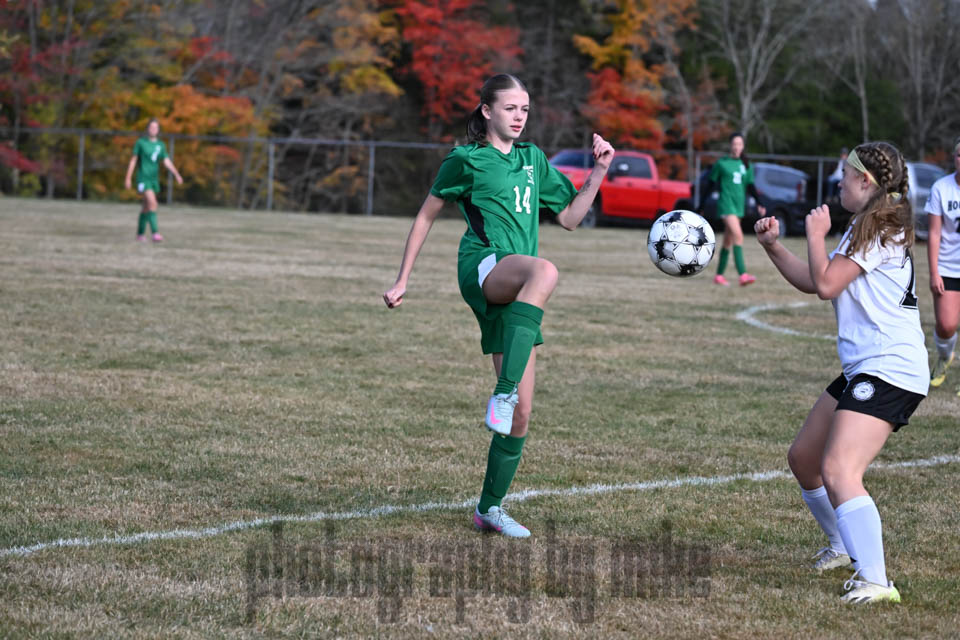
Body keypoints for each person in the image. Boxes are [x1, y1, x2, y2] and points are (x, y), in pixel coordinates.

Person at [383, 74, 614, 539]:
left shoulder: (533, 159)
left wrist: (600, 171)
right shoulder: (465, 159)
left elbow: (570, 218)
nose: (519, 116)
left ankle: (489, 508)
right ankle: (502, 392)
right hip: (484, 264)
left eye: (525, 109)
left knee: (521, 416)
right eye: (510, 108)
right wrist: (403, 278)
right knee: (545, 271)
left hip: (518, 286)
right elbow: (426, 215)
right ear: (487, 111)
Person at [754, 141, 927, 604]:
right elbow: (819, 278)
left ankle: (876, 580)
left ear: (864, 181)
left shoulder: (877, 227)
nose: (838, 184)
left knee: (839, 469)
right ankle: (842, 546)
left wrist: (814, 233)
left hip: (889, 367)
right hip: (867, 365)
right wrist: (774, 247)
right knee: (805, 459)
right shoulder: (868, 223)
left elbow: (827, 284)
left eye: (844, 176)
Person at [700, 132, 765, 286]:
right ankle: (743, 275)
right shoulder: (722, 163)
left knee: (727, 242)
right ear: (730, 145)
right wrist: (701, 205)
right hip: (726, 205)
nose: (737, 147)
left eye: (739, 144)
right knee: (738, 236)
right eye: (734, 144)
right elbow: (710, 185)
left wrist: (759, 203)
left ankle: (718, 276)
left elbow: (750, 186)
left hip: (738, 206)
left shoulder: (746, 165)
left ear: (743, 146)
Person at [925, 136, 960, 392]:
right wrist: (934, 272)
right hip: (948, 267)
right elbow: (934, 233)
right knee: (946, 325)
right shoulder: (941, 188)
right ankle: (945, 356)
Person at [124, 118, 183, 242]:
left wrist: (176, 174)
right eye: (151, 127)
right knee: (153, 203)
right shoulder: (141, 143)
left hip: (153, 180)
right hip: (143, 179)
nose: (153, 129)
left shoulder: (160, 145)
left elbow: (166, 161)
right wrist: (128, 177)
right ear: (147, 129)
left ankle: (140, 234)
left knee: (146, 207)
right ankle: (155, 233)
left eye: (156, 127)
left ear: (158, 130)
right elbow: (133, 160)